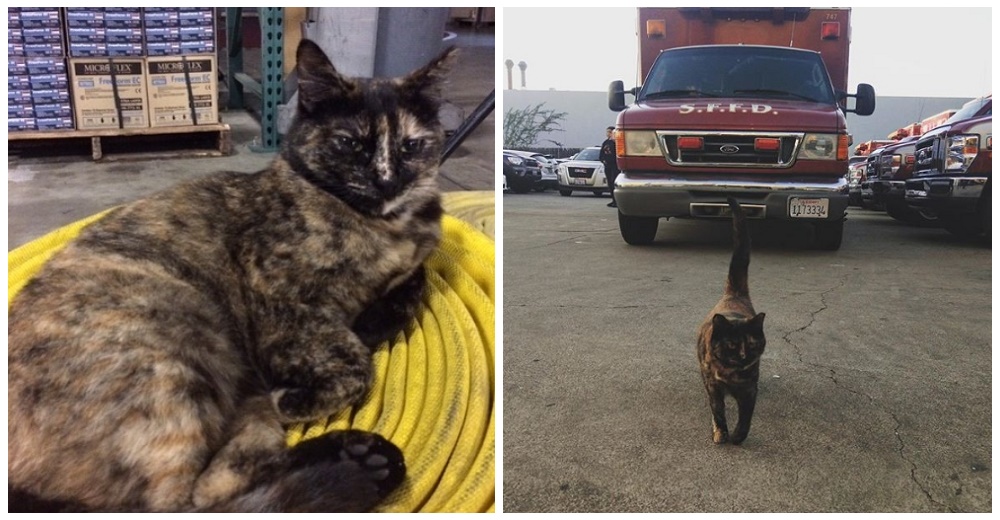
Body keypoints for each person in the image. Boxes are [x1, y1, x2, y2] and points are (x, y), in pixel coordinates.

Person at [599, 126, 620, 208]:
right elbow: (602, 154)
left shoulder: (616, 142)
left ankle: (617, 201)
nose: (607, 133)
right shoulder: (605, 143)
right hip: (607, 166)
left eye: (609, 132)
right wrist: (603, 160)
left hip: (614, 166)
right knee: (610, 184)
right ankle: (613, 200)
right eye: (607, 132)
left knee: (613, 182)